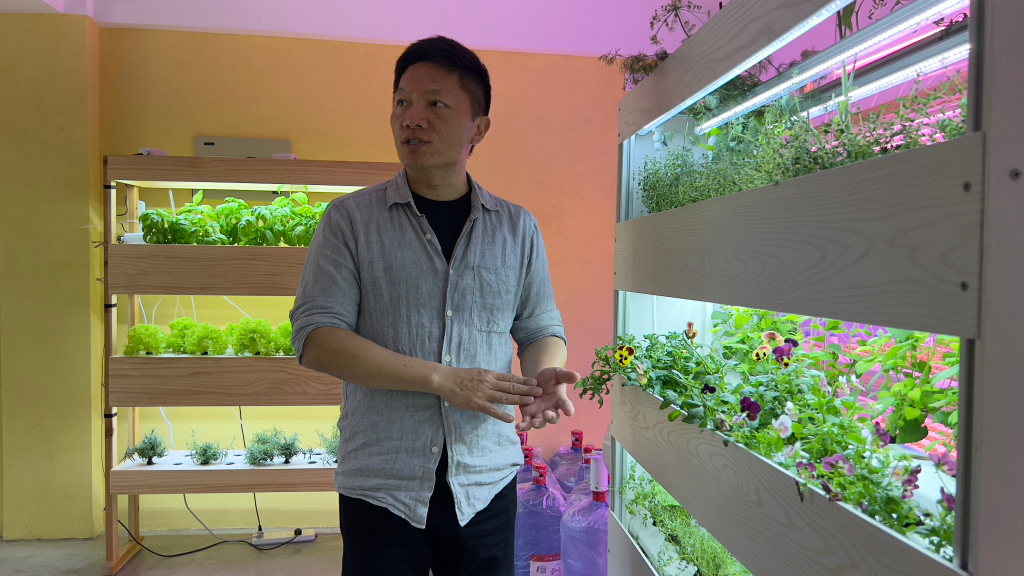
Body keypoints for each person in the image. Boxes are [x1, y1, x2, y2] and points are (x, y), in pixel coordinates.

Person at [290, 35, 581, 576]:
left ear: (479, 128)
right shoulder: (350, 221)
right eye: (402, 101)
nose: (412, 118)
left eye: (435, 103)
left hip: (485, 479)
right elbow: (317, 337)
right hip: (383, 481)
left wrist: (545, 372)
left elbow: (539, 324)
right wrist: (442, 379)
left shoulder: (516, 227)